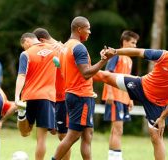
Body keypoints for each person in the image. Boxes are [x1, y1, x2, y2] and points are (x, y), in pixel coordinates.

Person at [93, 38, 168, 160]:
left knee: (156, 137)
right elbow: (138, 52)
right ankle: (79, 74)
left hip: (157, 104)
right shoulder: (165, 55)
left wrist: (162, 117)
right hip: (140, 86)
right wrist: (114, 51)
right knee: (105, 76)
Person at [52, 16, 111, 160]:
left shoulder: (65, 47)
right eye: (88, 28)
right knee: (73, 135)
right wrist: (104, 60)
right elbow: (86, 73)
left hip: (76, 94)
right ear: (79, 29)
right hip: (80, 96)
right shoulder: (79, 47)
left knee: (87, 133)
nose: (90, 32)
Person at [15, 32, 58, 160]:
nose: (25, 48)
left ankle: (21, 115)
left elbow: (21, 75)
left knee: (25, 132)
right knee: (41, 138)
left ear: (27, 41)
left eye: (24, 46)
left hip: (29, 96)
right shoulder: (54, 50)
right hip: (47, 96)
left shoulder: (26, 54)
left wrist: (17, 96)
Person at [33, 28, 71, 160]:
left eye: (37, 45)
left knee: (63, 135)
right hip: (50, 96)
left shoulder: (62, 49)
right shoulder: (48, 50)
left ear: (41, 41)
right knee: (53, 131)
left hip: (62, 97)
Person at [101, 30, 139, 160]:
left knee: (116, 130)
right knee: (118, 129)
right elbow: (107, 74)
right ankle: (116, 157)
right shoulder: (116, 55)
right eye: (133, 43)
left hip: (123, 98)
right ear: (125, 42)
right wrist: (110, 93)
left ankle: (113, 157)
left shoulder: (129, 59)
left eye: (136, 43)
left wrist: (130, 98)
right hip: (115, 97)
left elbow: (126, 82)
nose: (135, 46)